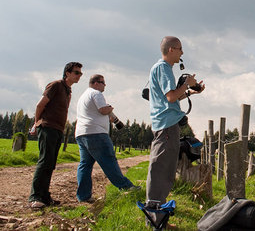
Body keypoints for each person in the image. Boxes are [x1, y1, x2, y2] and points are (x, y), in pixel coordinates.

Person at [145, 36, 205, 226]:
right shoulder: (163, 68)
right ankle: (154, 218)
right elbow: (171, 97)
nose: (182, 52)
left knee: (164, 169)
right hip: (167, 126)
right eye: (180, 49)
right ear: (171, 49)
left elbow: (169, 97)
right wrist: (187, 82)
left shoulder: (162, 69)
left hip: (166, 124)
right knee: (161, 170)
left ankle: (156, 214)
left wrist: (190, 92)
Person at [75, 74, 140, 202]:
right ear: (95, 83)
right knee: (109, 161)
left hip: (81, 133)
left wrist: (110, 117)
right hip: (96, 134)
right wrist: (110, 108)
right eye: (103, 83)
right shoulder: (96, 94)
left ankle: (83, 196)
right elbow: (103, 110)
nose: (105, 85)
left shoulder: (83, 96)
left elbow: (97, 113)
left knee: (85, 165)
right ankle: (126, 187)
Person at [29, 62, 83, 209]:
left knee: (51, 164)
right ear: (67, 73)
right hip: (47, 127)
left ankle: (45, 196)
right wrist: (36, 123)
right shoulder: (56, 85)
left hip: (58, 129)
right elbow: (40, 105)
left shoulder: (68, 91)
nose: (79, 75)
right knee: (45, 161)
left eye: (80, 73)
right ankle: (35, 197)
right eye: (76, 72)